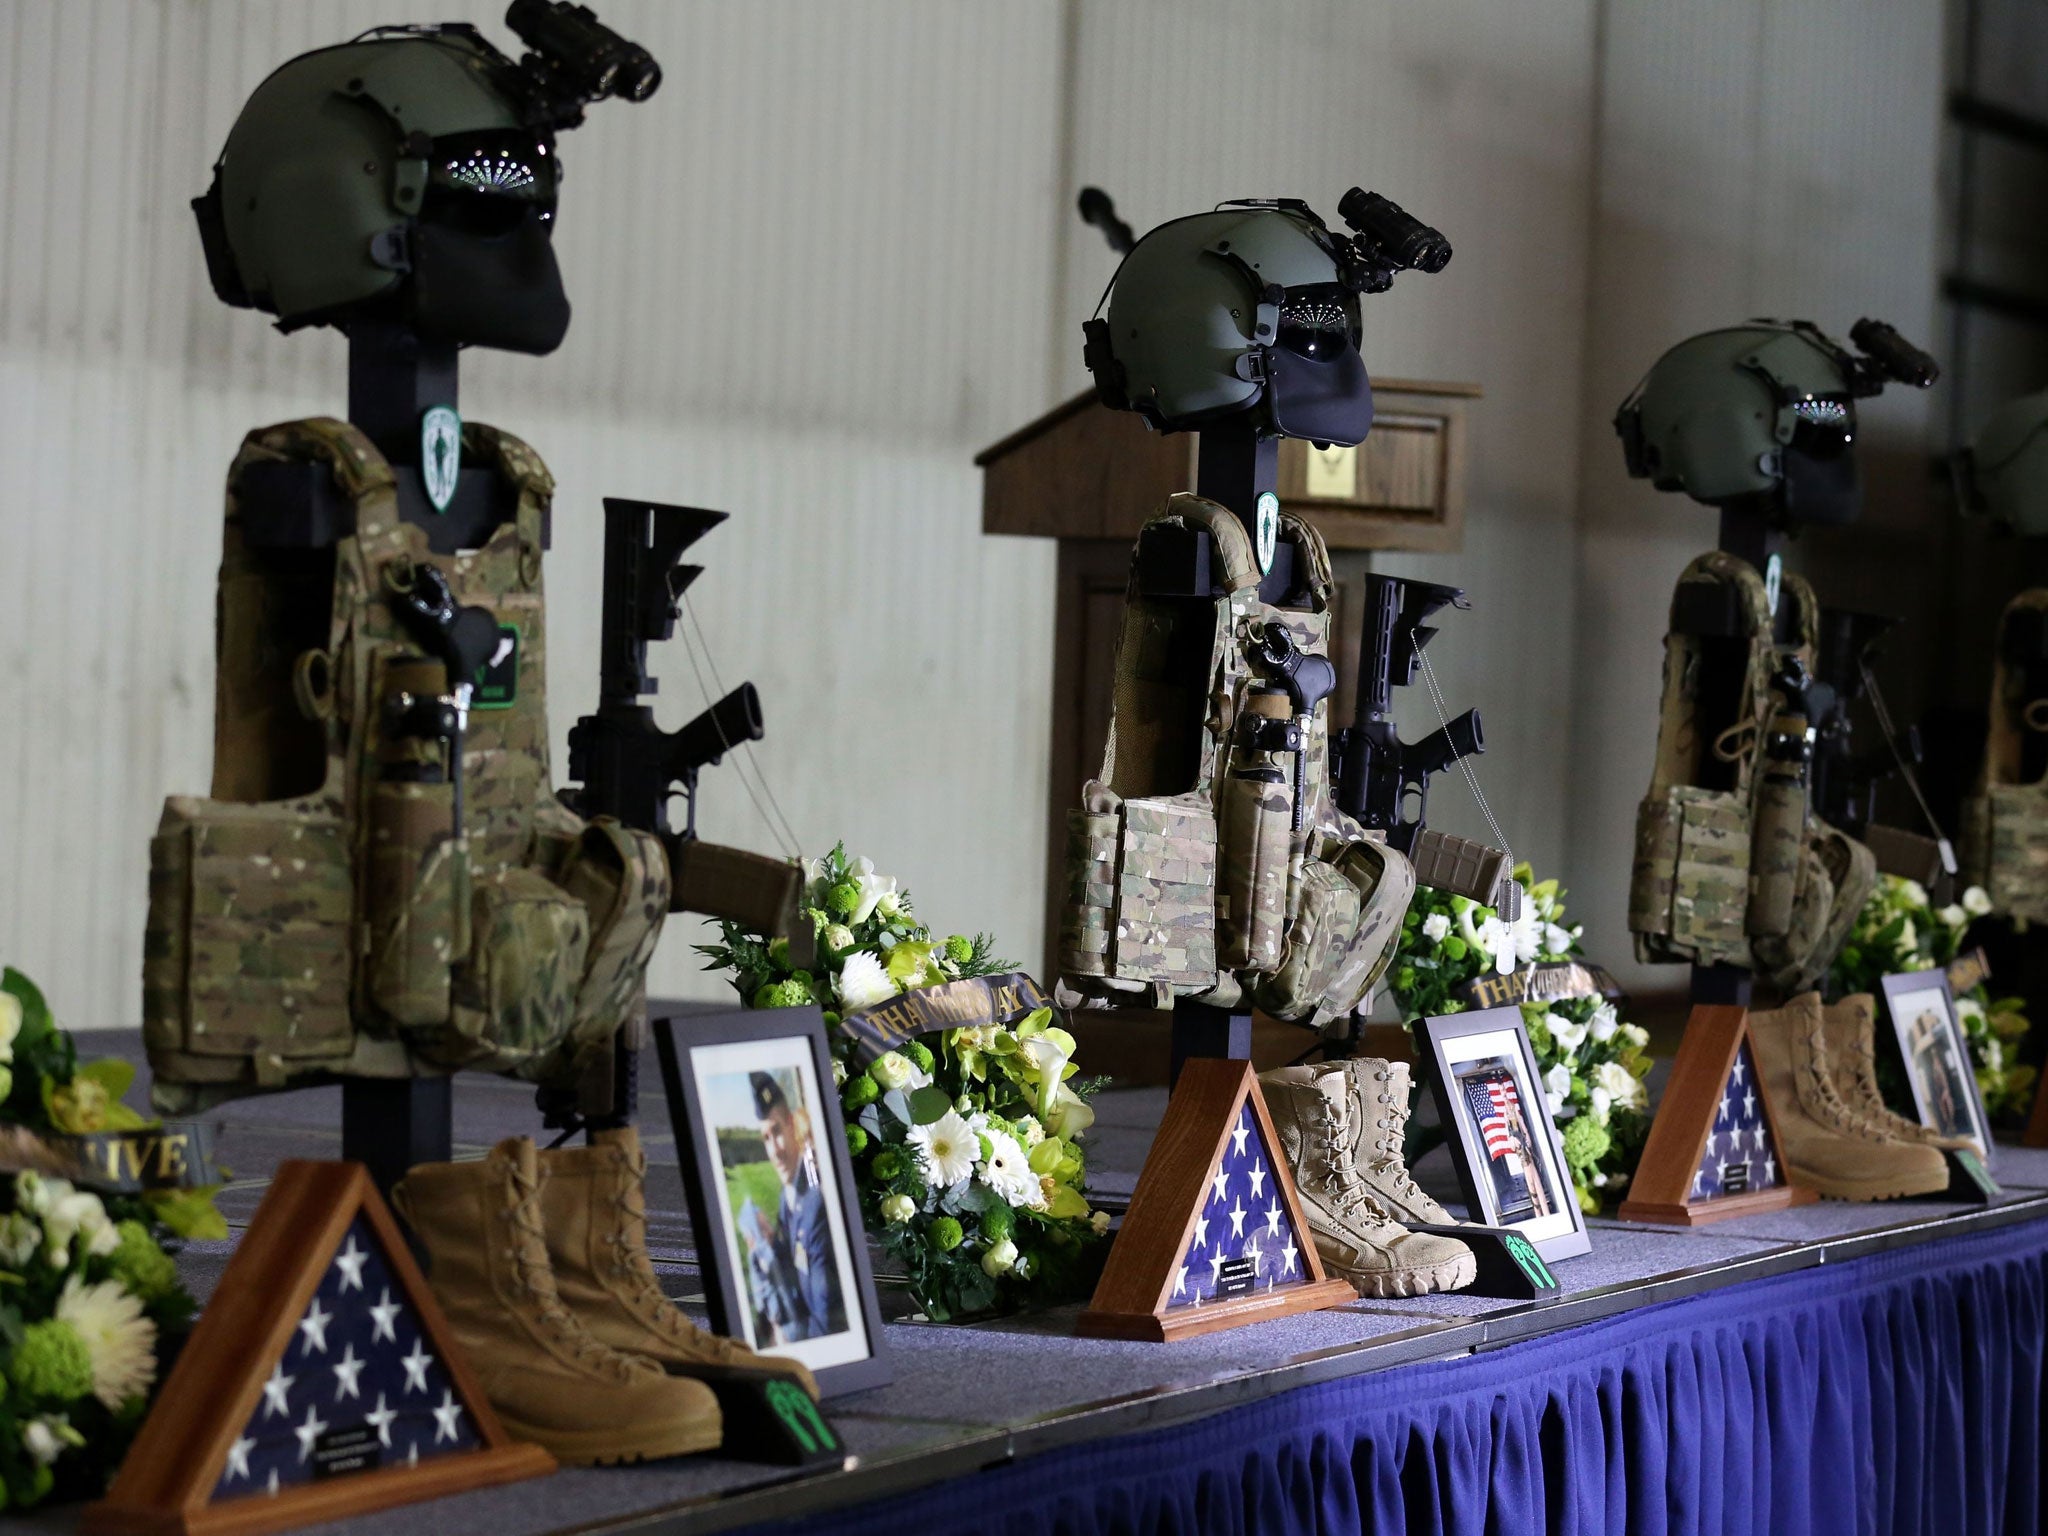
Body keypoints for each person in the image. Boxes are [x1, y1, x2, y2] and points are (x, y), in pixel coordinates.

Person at [740, 1071, 847, 1344]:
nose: (774, 1150)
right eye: (766, 1138)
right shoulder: (788, 1200)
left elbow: (828, 1320)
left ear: (791, 1125)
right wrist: (768, 1244)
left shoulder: (816, 1204)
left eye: (777, 1131)